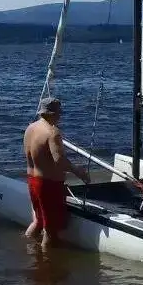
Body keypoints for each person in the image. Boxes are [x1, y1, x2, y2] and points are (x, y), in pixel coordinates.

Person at [23, 97, 91, 248]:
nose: (61, 115)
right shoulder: (52, 132)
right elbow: (59, 161)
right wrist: (79, 172)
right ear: (53, 113)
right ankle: (45, 260)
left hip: (32, 180)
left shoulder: (30, 128)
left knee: (38, 221)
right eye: (60, 112)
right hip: (48, 185)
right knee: (50, 230)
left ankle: (28, 250)